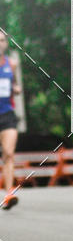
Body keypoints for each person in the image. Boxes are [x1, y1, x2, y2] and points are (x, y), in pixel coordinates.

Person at [0, 30, 22, 210]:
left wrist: (16, 88)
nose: (0, 44)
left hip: (7, 113)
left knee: (8, 153)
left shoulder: (11, 64)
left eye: (2, 40)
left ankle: (9, 194)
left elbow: (13, 83)